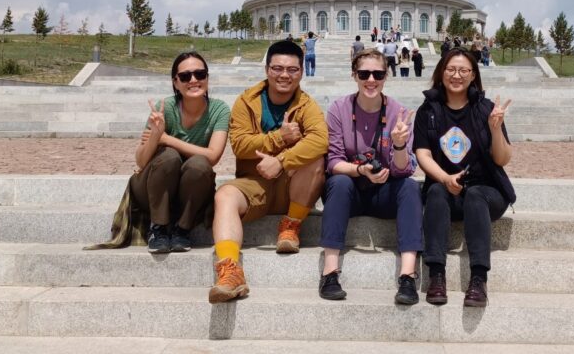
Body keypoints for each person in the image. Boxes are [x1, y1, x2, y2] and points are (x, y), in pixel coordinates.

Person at [208, 40, 328, 304]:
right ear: (267, 69)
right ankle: (230, 270)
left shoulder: (307, 105)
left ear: (301, 72)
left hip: (292, 187)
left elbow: (320, 140)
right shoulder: (246, 101)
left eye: (292, 69)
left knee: (316, 160)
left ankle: (291, 225)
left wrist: (281, 161)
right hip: (255, 184)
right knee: (224, 195)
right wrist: (279, 138)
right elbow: (240, 145)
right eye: (277, 68)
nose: (284, 75)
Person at [87, 52, 229, 254]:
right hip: (152, 187)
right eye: (185, 76)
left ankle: (182, 229)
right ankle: (158, 228)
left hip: (190, 190)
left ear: (207, 77)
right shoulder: (165, 109)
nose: (193, 80)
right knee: (169, 156)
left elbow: (213, 156)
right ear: (175, 82)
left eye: (200, 74)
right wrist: (155, 135)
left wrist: (167, 139)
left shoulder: (219, 110)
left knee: (200, 164)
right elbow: (141, 160)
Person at [414, 47, 515, 308]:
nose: (456, 75)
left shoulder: (486, 109)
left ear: (473, 75)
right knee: (436, 191)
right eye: (451, 69)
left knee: (476, 194)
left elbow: (502, 159)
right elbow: (422, 154)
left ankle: (478, 279)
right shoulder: (428, 110)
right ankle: (436, 275)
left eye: (463, 70)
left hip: (486, 193)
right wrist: (445, 179)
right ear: (441, 72)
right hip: (446, 190)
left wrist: (495, 130)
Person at [319, 49, 422, 305]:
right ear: (354, 75)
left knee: (410, 187)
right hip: (350, 191)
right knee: (339, 182)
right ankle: (329, 273)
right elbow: (333, 161)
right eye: (364, 74)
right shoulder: (339, 109)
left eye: (378, 74)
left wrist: (399, 144)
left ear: (386, 76)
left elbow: (404, 169)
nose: (371, 80)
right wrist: (360, 170)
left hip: (384, 191)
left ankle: (407, 276)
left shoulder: (398, 112)